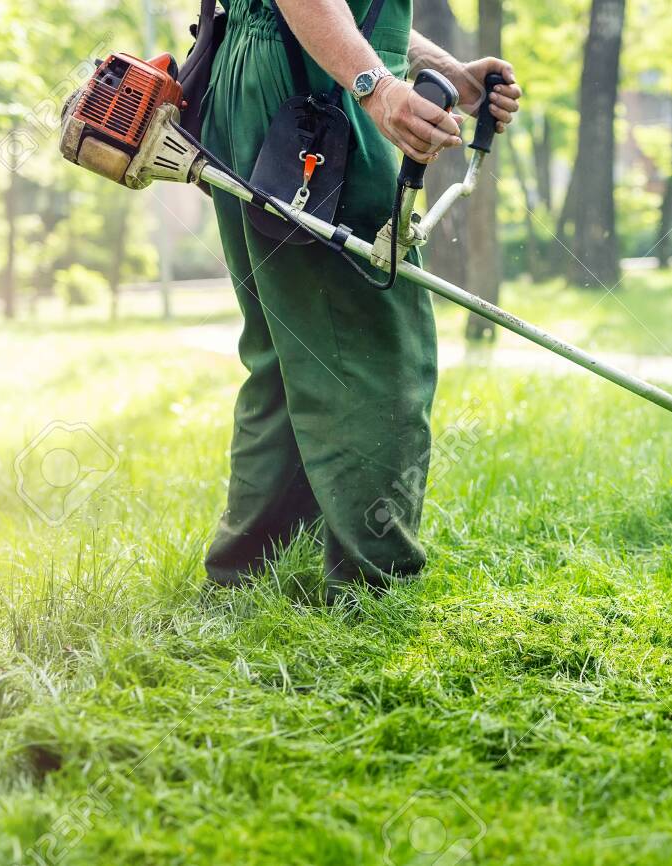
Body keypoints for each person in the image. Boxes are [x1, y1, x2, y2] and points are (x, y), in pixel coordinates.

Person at [200, 0, 521, 600]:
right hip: (316, 95)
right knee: (374, 347)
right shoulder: (352, 86)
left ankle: (245, 574)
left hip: (270, 82)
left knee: (289, 349)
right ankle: (373, 585)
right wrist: (378, 89)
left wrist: (448, 72)